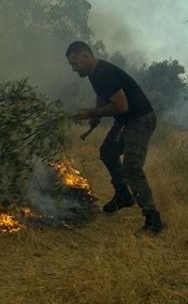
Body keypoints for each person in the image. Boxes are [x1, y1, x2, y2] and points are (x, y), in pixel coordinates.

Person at [64, 41, 163, 235]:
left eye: (75, 64)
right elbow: (103, 96)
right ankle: (123, 195)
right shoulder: (94, 74)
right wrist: (96, 115)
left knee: (132, 168)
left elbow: (121, 106)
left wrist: (89, 112)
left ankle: (154, 221)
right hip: (126, 121)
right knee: (108, 152)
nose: (74, 69)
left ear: (86, 56)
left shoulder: (104, 73)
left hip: (139, 120)